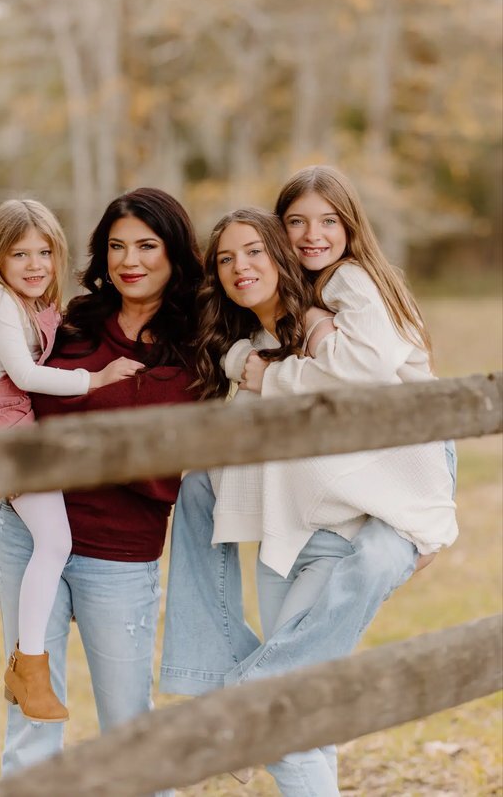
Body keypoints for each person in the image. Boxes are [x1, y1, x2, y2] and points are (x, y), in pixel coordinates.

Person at [160, 170, 457, 795]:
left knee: (286, 714)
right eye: (296, 222)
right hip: (287, 531)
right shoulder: (264, 332)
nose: (312, 234)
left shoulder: (347, 293)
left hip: (364, 508)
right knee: (303, 723)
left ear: (350, 226)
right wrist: (239, 361)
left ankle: (234, 704)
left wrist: (265, 375)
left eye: (327, 221)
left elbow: (366, 376)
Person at [0, 187, 202, 779]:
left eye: (146, 245)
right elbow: (19, 395)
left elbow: (155, 439)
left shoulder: (196, 343)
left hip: (119, 548)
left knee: (130, 724)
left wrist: (74, 411)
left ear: (175, 253)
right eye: (116, 246)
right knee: (31, 717)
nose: (128, 260)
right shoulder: (72, 321)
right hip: (28, 532)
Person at [0, 198, 122, 723]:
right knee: (56, 541)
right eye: (20, 254)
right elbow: (25, 375)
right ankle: (28, 666)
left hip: (11, 424)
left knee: (54, 540)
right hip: (5, 429)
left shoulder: (19, 302)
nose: (35, 264)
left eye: (45, 252)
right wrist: (98, 378)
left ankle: (28, 665)